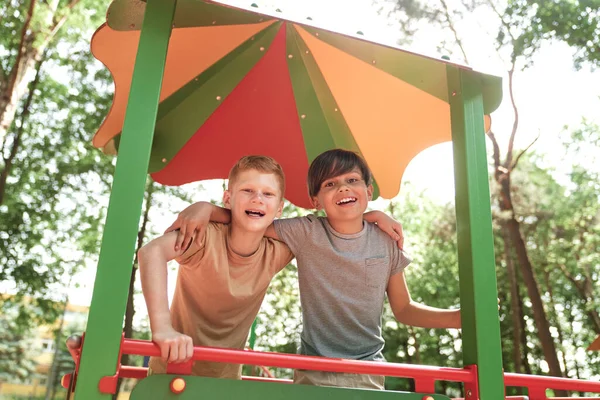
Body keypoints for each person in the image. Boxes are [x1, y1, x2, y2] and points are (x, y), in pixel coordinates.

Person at [167, 149, 461, 390]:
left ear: (368, 190)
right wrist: (205, 207)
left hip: (367, 371)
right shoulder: (306, 232)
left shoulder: (386, 241)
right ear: (315, 201)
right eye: (330, 184)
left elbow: (404, 308)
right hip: (312, 372)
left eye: (352, 180)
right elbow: (252, 218)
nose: (343, 187)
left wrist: (459, 318)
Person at [137, 155, 295, 379]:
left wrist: (208, 208)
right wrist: (163, 329)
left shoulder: (277, 251)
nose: (258, 199)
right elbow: (151, 252)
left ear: (279, 209)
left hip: (226, 380)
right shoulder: (202, 236)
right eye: (247, 190)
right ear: (227, 199)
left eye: (267, 193)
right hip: (172, 371)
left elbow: (327, 232)